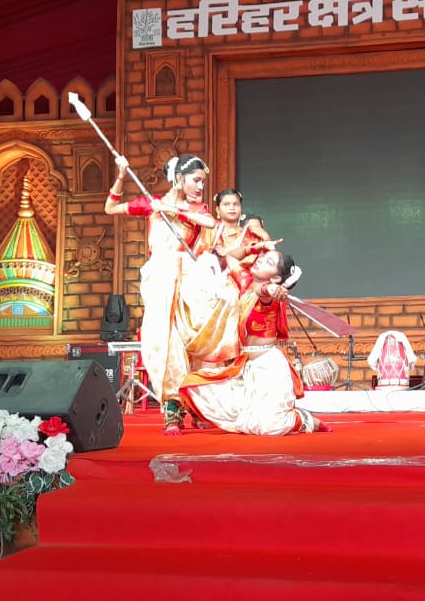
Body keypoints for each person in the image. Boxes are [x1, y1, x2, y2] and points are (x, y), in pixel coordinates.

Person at [105, 154, 236, 433]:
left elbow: (210, 224)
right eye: (196, 180)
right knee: (166, 341)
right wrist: (121, 176)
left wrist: (172, 210)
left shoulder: (197, 209)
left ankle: (199, 405)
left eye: (203, 181)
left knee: (195, 338)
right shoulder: (151, 203)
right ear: (179, 178)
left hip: (190, 279)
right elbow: (111, 207)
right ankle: (173, 407)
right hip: (160, 278)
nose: (200, 186)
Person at [179, 248, 329, 436]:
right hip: (246, 366)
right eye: (263, 257)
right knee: (196, 386)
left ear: (275, 278)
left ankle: (303, 418)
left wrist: (271, 289)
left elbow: (263, 291)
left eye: (269, 262)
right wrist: (256, 247)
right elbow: (230, 256)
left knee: (270, 427)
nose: (260, 260)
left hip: (269, 367)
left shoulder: (268, 295)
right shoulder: (245, 281)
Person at [201, 188, 271, 267]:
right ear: (217, 210)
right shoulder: (208, 230)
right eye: (226, 204)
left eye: (236, 204)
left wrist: (266, 237)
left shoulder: (249, 235)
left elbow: (260, 264)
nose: (232, 207)